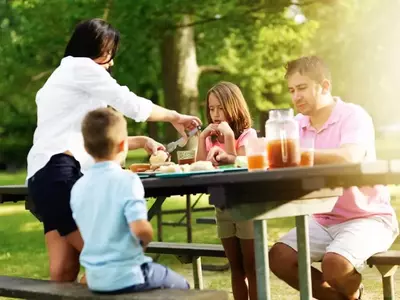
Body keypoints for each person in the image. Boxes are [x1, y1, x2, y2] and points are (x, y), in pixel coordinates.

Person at [26, 18, 201, 283]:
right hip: (61, 175)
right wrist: (173, 116)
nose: (111, 62)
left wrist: (141, 141)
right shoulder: (82, 67)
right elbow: (130, 103)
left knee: (63, 270)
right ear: (91, 48)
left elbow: (93, 139)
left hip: (43, 177)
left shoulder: (64, 77)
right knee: (111, 263)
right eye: (107, 53)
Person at [268, 56, 399, 300]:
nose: (296, 96)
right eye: (292, 90)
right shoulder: (295, 124)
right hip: (321, 219)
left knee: (335, 265)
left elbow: (349, 156)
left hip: (368, 217)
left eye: (302, 88)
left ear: (325, 86)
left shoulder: (353, 116)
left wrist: (298, 154)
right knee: (278, 257)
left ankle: (350, 292)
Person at [70, 108, 189, 293]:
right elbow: (141, 229)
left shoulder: (77, 187)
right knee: (183, 287)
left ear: (86, 148)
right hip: (129, 275)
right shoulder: (128, 180)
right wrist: (145, 240)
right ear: (123, 145)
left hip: (95, 278)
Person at [196, 82, 258, 300]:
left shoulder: (247, 136)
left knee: (252, 268)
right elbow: (198, 168)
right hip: (222, 206)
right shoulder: (213, 137)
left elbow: (238, 167)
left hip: (247, 208)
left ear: (233, 106)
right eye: (211, 109)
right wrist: (202, 138)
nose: (215, 114)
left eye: (220, 108)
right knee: (236, 269)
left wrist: (229, 138)